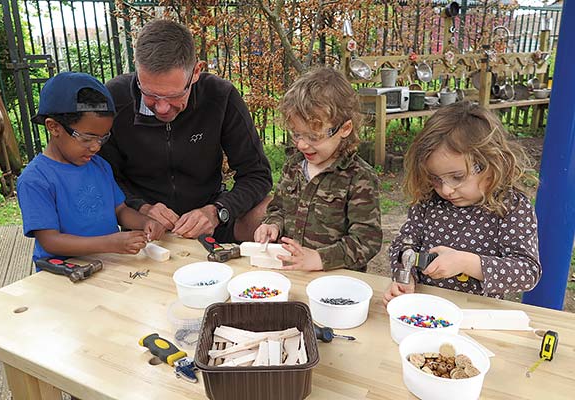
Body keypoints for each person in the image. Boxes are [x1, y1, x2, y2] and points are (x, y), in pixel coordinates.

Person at [99, 19, 272, 243]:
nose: (162, 108)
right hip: (144, 227)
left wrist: (218, 211)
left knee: (270, 210)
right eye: (150, 94)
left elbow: (257, 174)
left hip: (211, 221)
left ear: (196, 72)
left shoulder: (220, 96)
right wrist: (141, 207)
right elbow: (103, 177)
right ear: (137, 68)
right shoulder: (114, 99)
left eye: (173, 96)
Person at [382, 101, 541, 305]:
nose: (446, 190)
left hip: (476, 315)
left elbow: (527, 271)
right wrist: (405, 277)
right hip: (424, 308)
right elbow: (403, 246)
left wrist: (466, 262)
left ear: (491, 164)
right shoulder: (429, 200)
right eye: (436, 178)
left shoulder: (510, 207)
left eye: (457, 177)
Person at [17, 72, 164, 267]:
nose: (96, 147)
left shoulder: (99, 165)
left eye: (103, 138)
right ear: (53, 127)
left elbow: (120, 210)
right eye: (87, 138)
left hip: (107, 264)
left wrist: (144, 222)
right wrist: (110, 243)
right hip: (62, 275)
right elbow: (50, 241)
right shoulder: (35, 180)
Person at [254, 67, 382, 271]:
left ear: (345, 128)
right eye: (296, 134)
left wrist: (320, 259)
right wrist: (273, 224)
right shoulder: (294, 166)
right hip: (291, 271)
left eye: (313, 137)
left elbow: (367, 241)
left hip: (336, 281)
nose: (302, 145)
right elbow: (278, 207)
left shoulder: (359, 178)